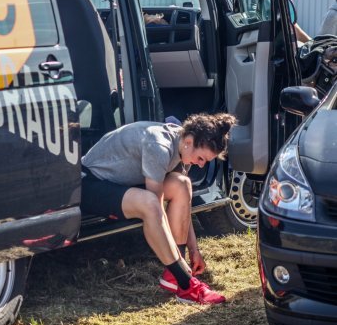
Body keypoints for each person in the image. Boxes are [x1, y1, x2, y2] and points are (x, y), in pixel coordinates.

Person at [81, 112, 237, 304]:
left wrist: (194, 249)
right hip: (90, 185)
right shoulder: (159, 145)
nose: (200, 164)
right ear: (189, 141)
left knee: (182, 184)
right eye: (201, 158)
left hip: (122, 182)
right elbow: (157, 211)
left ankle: (172, 277)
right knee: (151, 204)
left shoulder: (181, 145)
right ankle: (185, 284)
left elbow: (183, 206)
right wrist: (180, 262)